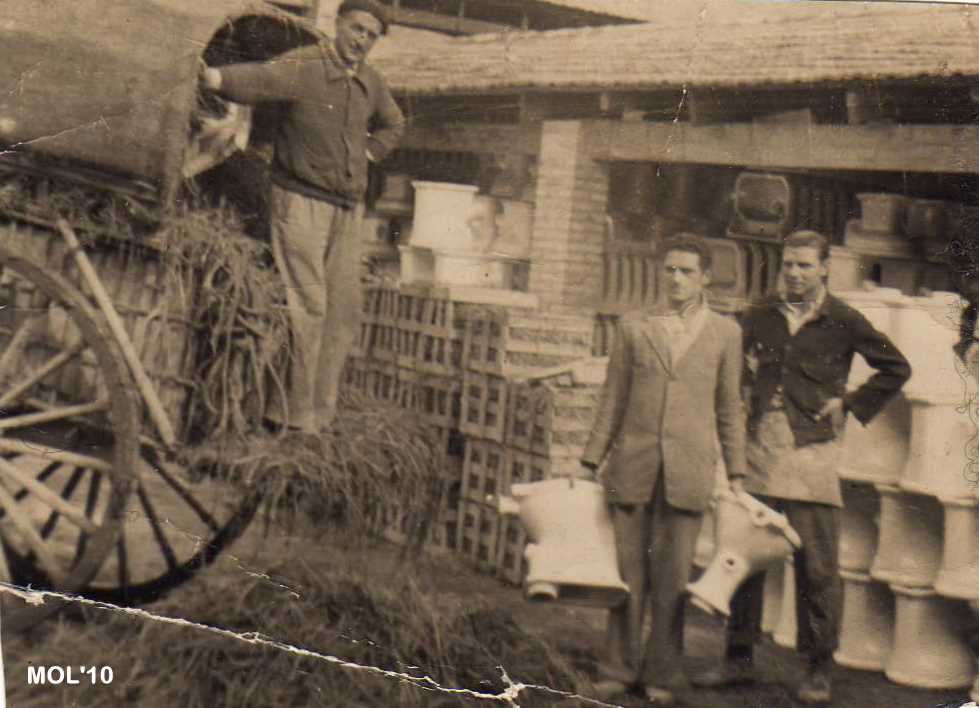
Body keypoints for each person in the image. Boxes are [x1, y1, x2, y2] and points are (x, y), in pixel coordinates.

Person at [692, 230, 911, 704]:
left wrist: (848, 403)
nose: (794, 273)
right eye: (789, 264)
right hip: (759, 449)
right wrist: (743, 397)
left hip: (813, 454)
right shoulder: (760, 315)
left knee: (817, 566)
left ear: (825, 268)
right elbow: (732, 364)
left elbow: (896, 367)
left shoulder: (843, 319)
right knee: (744, 554)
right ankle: (738, 658)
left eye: (805, 265)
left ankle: (817, 668)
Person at [199, 0, 405, 435]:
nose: (362, 40)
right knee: (308, 305)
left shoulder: (370, 82)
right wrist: (213, 78)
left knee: (343, 311)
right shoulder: (306, 65)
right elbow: (260, 79)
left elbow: (393, 123)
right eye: (357, 29)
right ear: (339, 23)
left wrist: (370, 153)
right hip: (300, 203)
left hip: (347, 211)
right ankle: (287, 414)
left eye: (371, 35)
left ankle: (318, 415)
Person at [579, 234, 747, 706]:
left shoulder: (726, 334)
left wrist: (737, 472)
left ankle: (663, 674)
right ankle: (618, 668)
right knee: (627, 574)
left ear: (705, 277)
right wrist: (590, 460)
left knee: (673, 581)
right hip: (634, 466)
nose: (676, 279)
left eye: (686, 271)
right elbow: (613, 397)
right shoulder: (634, 326)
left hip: (688, 471)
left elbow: (730, 408)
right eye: (669, 269)